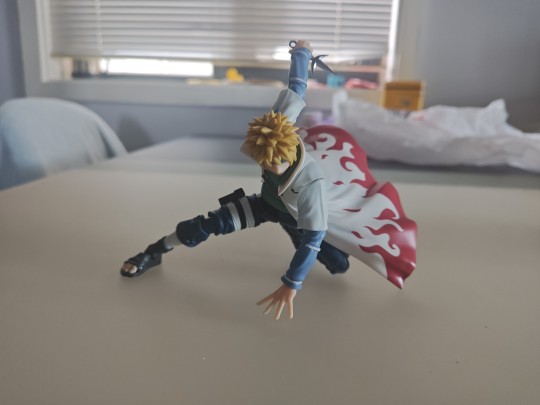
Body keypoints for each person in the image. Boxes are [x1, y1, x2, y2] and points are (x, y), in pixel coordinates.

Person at [121, 40, 417, 320]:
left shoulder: (311, 184)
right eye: (264, 163)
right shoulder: (276, 126)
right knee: (205, 225)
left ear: (289, 153)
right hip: (266, 204)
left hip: (297, 215)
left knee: (338, 266)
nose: (270, 168)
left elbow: (313, 240)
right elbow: (297, 88)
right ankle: (154, 251)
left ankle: (300, 233)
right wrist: (301, 52)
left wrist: (291, 283)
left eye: (276, 164)